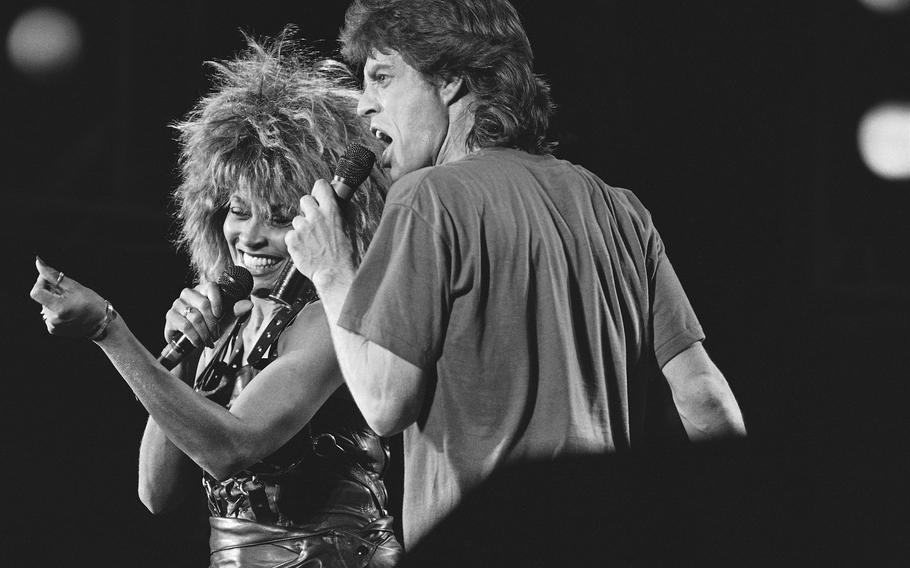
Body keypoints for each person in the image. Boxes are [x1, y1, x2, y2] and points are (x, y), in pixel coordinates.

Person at [282, 0, 748, 550]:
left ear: (451, 78)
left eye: (382, 78)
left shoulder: (427, 198)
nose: (363, 106)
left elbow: (385, 404)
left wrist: (333, 272)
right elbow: (708, 403)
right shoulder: (621, 210)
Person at [30, 30, 402, 567]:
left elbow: (232, 449)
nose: (249, 237)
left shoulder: (331, 317)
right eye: (237, 209)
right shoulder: (230, 325)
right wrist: (177, 360)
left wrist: (108, 330)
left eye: (278, 216)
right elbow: (156, 493)